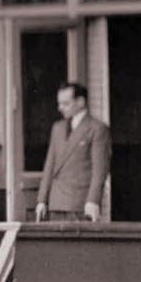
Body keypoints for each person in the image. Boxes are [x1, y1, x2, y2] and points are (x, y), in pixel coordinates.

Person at [33, 81, 110, 223]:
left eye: (65, 103)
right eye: (59, 103)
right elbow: (49, 167)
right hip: (56, 202)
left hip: (81, 204)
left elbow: (100, 170)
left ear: (80, 102)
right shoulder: (57, 128)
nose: (60, 108)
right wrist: (41, 200)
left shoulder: (97, 129)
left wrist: (93, 200)